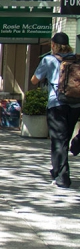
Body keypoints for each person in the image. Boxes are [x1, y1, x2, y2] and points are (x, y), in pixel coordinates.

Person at [30, 32, 80, 188]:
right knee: (65, 138)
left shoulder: (49, 60)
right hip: (76, 104)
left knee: (59, 141)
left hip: (56, 104)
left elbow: (34, 80)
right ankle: (58, 169)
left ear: (53, 45)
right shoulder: (77, 59)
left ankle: (62, 178)